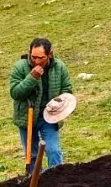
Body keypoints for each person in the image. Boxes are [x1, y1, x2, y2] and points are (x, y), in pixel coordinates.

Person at [10, 38, 74, 170]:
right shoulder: (20, 67)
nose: (36, 61)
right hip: (26, 117)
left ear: (50, 54)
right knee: (32, 155)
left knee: (53, 150)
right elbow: (15, 93)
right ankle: (36, 183)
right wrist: (32, 77)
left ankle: (57, 180)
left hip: (50, 117)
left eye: (41, 58)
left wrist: (59, 103)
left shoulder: (59, 67)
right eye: (33, 57)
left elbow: (67, 89)